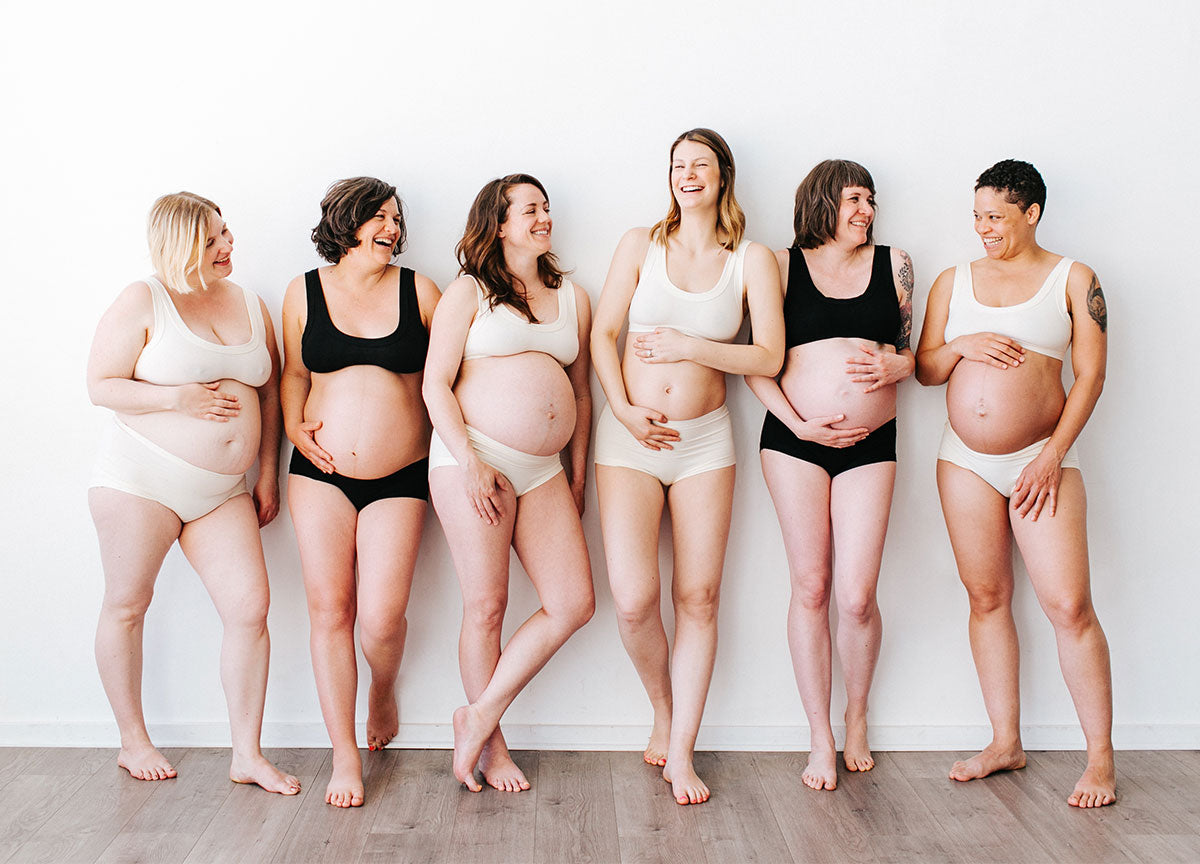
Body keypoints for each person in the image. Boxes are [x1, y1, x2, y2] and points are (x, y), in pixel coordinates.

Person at [591, 129, 784, 805]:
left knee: (698, 599)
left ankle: (681, 752)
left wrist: (692, 345)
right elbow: (601, 334)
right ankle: (662, 708)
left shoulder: (751, 259)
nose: (688, 174)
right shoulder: (638, 243)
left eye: (701, 163)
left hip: (705, 442)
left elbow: (767, 357)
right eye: (678, 164)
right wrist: (621, 408)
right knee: (634, 597)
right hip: (631, 440)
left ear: (723, 174)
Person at [915, 159, 1115, 808]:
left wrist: (1053, 455)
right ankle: (1004, 741)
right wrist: (962, 345)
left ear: (1031, 213)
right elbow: (925, 369)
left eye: (995, 217)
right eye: (976, 216)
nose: (983, 229)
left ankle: (1101, 762)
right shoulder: (955, 281)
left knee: (1069, 607)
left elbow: (1089, 377)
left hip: (1042, 458)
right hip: (964, 462)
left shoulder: (1073, 279)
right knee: (986, 596)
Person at [87, 192, 299, 794]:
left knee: (249, 610)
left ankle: (248, 755)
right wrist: (174, 398)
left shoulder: (251, 305)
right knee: (128, 605)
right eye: (211, 240)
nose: (227, 245)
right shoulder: (144, 299)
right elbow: (100, 384)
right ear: (180, 244)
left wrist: (264, 473)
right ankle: (132, 739)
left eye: (226, 232)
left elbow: (268, 393)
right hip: (140, 479)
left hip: (221, 492)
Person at [746, 160, 914, 792]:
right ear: (821, 202)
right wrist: (801, 424)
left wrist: (899, 367)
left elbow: (908, 349)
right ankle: (819, 736)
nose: (866, 210)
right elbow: (757, 364)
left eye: (871, 199)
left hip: (873, 442)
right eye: (853, 199)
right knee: (811, 587)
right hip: (794, 442)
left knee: (857, 595)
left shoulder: (894, 263)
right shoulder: (779, 266)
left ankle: (858, 714)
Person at [423, 174, 594, 793]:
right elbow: (435, 384)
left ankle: (478, 713)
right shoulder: (468, 292)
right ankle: (492, 750)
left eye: (547, 206)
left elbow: (579, 392)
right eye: (530, 209)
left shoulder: (572, 295)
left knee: (574, 601)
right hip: (477, 458)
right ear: (498, 223)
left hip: (544, 470)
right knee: (486, 605)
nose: (543, 217)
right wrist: (468, 460)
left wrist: (577, 474)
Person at [281, 177, 440, 808]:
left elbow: (451, 373)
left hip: (402, 474)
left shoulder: (419, 289)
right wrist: (294, 424)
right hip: (317, 472)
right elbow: (294, 373)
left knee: (380, 619)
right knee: (330, 612)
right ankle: (344, 756)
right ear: (346, 224)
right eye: (380, 217)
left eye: (397, 218)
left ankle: (383, 685)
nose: (393, 229)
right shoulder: (303, 292)